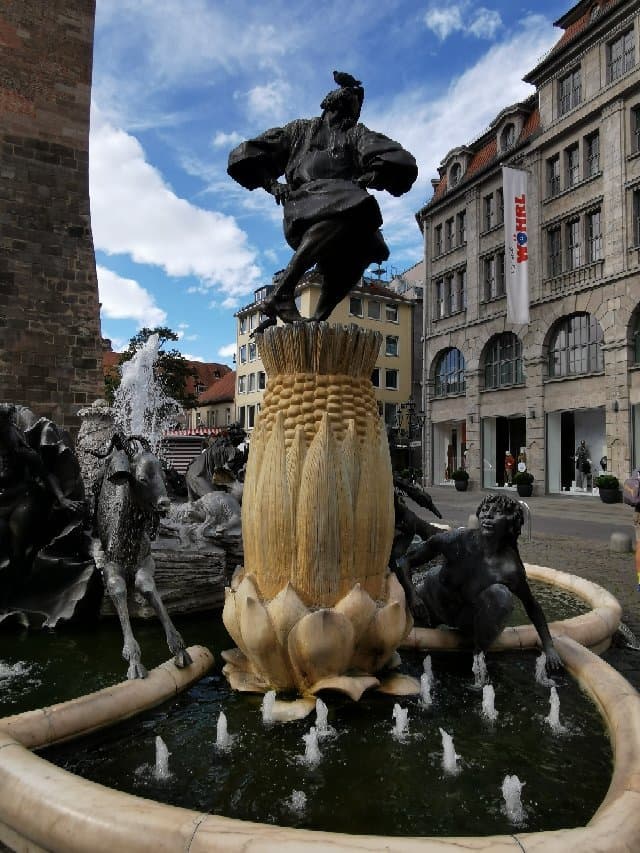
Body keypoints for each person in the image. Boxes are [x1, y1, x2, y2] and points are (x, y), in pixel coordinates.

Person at [227, 71, 418, 332]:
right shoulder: (298, 132)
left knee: (365, 246)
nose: (345, 116)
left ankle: (316, 321)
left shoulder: (354, 134)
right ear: (329, 105)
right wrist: (273, 186)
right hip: (304, 207)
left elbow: (396, 157)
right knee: (351, 209)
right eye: (341, 107)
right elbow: (246, 154)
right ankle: (283, 292)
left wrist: (372, 174)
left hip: (347, 207)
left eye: (350, 110)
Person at [394, 493, 562, 671]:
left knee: (501, 596)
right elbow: (405, 561)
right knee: (407, 656)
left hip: (465, 620)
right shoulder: (457, 540)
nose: (488, 515)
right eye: (485, 509)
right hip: (430, 606)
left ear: (510, 523)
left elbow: (531, 605)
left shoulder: (510, 568)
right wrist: (412, 596)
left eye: (497, 512)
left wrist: (549, 646)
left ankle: (478, 658)